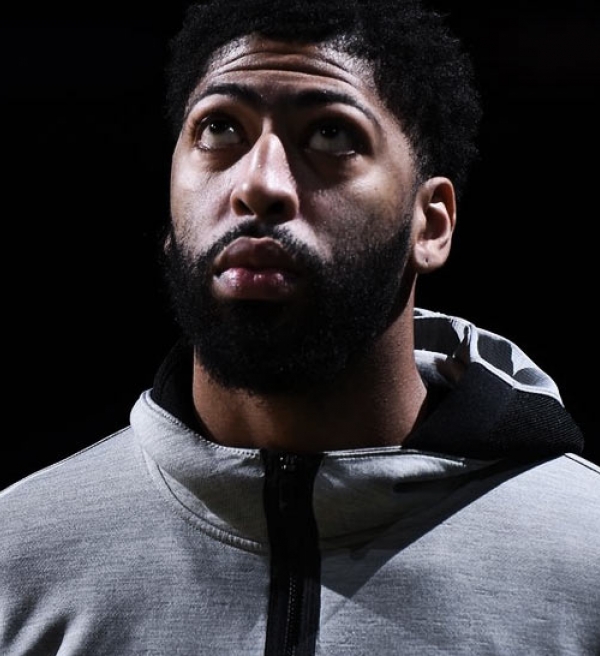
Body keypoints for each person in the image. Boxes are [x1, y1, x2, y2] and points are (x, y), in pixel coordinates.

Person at [1, 0, 599, 653]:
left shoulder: (586, 561)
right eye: (220, 128)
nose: (260, 184)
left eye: (331, 134)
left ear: (430, 224)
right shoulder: (16, 557)